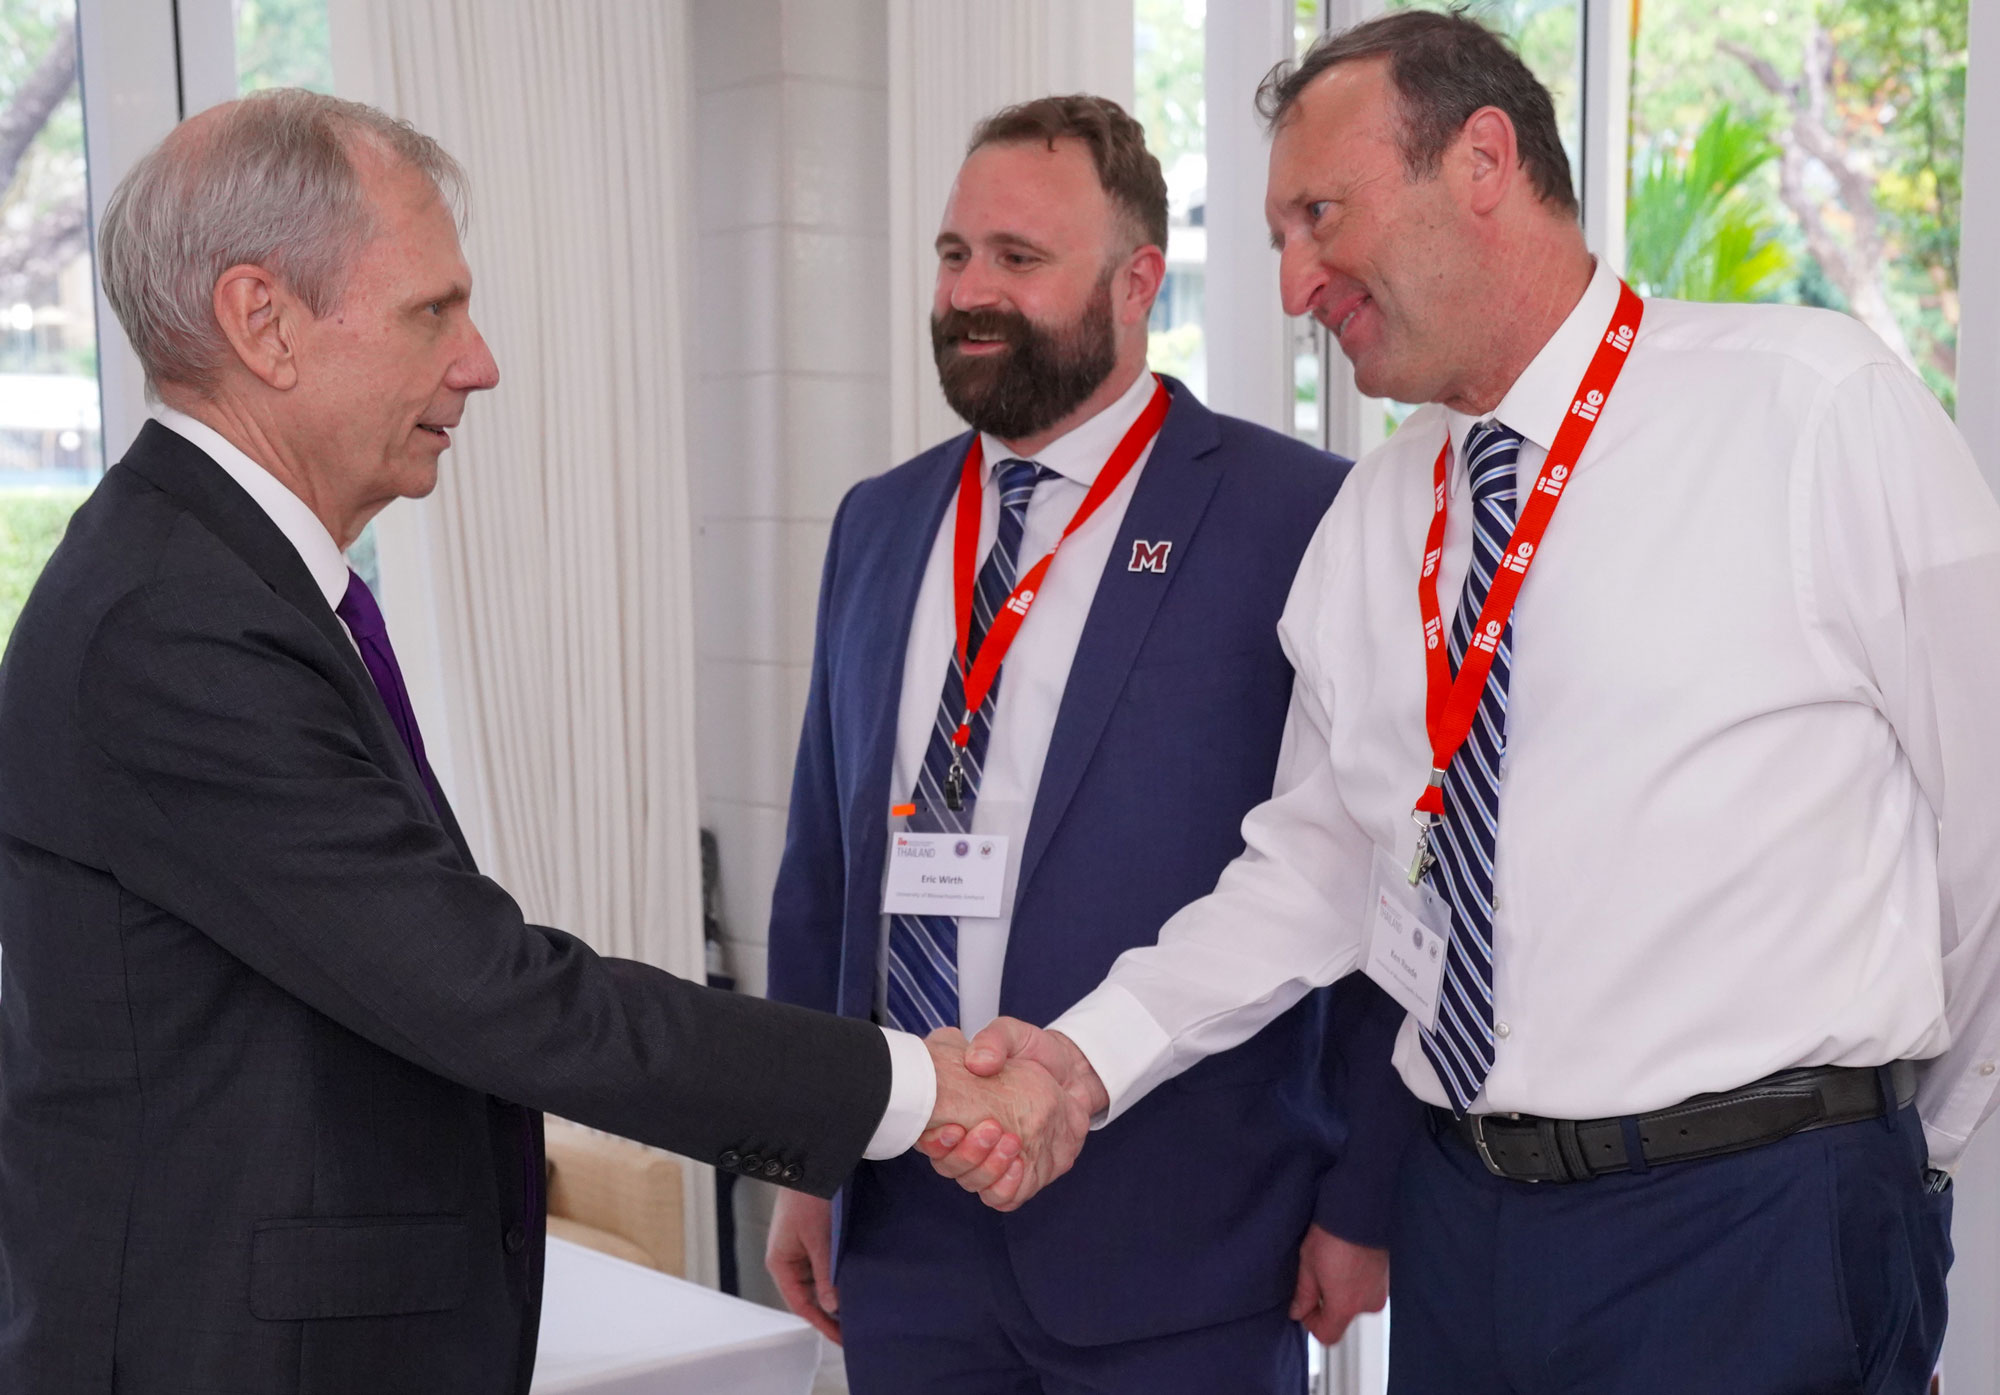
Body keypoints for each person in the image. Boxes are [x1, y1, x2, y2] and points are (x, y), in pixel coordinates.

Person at [923, 14, 1995, 1394]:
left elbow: (1986, 824)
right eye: (1279, 238)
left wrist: (1912, 1144)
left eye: (1323, 215)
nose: (1300, 280)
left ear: (1483, 160)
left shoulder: (1810, 407)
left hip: (1753, 1225)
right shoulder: (1378, 516)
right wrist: (1081, 1061)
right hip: (1466, 1227)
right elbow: (1316, 869)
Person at [0, 90, 1080, 1395]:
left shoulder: (221, 581)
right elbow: (486, 993)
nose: (479, 361)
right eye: (431, 311)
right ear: (262, 323)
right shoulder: (175, 623)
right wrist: (919, 1087)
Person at [761, 94, 1419, 1395]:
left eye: (1019, 259)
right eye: (955, 256)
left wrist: (1367, 1191)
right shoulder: (878, 524)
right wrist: (802, 1162)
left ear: (1135, 283)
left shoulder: (1299, 515)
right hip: (906, 1233)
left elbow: (1377, 873)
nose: (969, 294)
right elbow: (824, 869)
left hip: (1185, 1243)